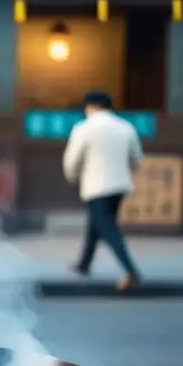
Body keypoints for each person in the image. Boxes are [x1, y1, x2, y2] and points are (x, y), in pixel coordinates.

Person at [63, 91, 142, 291]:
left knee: (106, 227)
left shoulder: (84, 128)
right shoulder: (125, 127)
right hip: (120, 186)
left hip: (96, 185)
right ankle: (84, 264)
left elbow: (72, 159)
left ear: (90, 107)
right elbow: (137, 159)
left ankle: (130, 269)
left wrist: (72, 175)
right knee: (97, 223)